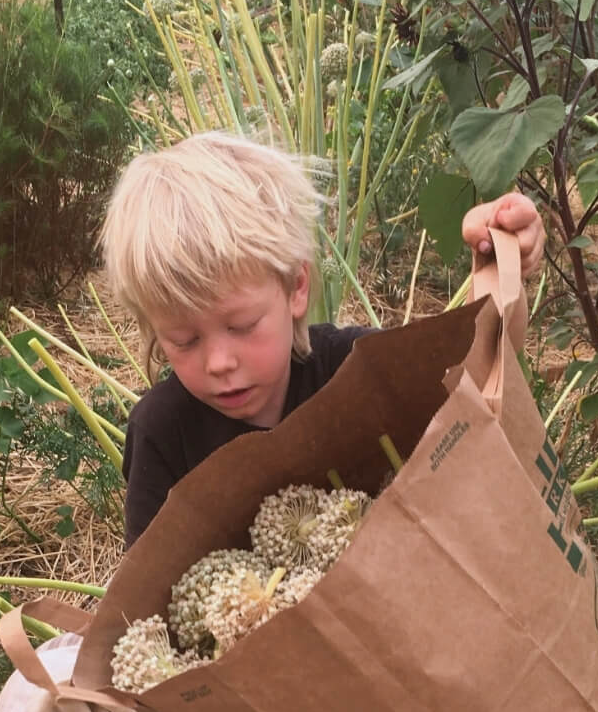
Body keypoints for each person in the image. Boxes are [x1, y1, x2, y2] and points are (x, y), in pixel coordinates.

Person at [103, 130, 548, 547]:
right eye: (184, 340)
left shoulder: (355, 368)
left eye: (243, 325)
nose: (218, 362)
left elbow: (481, 371)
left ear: (296, 288)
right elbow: (149, 586)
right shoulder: (162, 432)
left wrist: (498, 260)